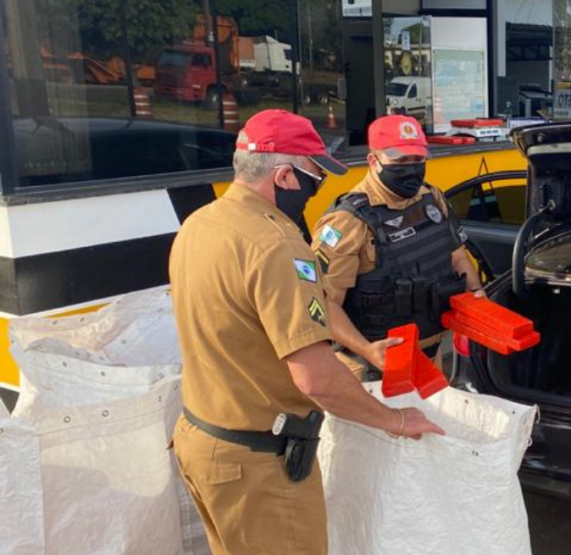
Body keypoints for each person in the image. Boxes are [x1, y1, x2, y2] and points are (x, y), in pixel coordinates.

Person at [169, 109, 444, 555]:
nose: (320, 185)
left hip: (202, 441)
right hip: (258, 463)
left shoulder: (201, 224)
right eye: (315, 173)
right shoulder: (276, 245)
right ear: (284, 177)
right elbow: (316, 378)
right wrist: (395, 420)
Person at [312, 115, 483, 378]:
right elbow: (323, 303)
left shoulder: (432, 198)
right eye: (401, 161)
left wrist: (476, 294)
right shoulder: (346, 221)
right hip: (373, 368)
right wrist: (368, 350)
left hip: (430, 357)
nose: (412, 169)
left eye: (418, 160)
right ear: (373, 161)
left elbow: (456, 254)